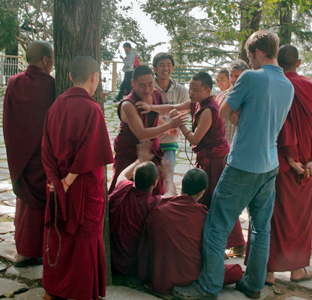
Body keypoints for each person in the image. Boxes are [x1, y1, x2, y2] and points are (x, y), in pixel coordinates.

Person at [172, 30, 294, 300]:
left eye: (250, 55)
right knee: (261, 228)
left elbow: (224, 112)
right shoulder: (288, 84)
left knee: (217, 225)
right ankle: (253, 284)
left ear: (258, 52)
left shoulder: (252, 77)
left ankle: (208, 286)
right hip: (270, 164)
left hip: (243, 164)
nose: (249, 61)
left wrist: (243, 115)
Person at [137, 72, 246, 255]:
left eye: (195, 90)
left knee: (215, 200)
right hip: (207, 158)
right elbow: (174, 107)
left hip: (215, 160)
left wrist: (179, 125)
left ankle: (232, 243)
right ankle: (225, 241)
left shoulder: (208, 110)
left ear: (207, 91)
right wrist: (152, 107)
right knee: (211, 199)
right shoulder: (196, 103)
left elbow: (195, 138)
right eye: (190, 89)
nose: (191, 93)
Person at [41, 55, 114, 300]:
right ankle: (82, 292)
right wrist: (69, 180)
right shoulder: (92, 108)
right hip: (82, 185)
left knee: (60, 232)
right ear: (95, 77)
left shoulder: (56, 105)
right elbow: (91, 152)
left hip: (57, 183)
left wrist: (56, 179)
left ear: (71, 77)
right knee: (84, 236)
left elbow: (46, 148)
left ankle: (53, 290)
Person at [264, 44, 312, 285]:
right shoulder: (310, 86)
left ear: (278, 61)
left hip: (279, 159)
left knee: (272, 214)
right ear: (298, 63)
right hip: (305, 163)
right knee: (299, 216)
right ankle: (296, 270)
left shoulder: (276, 85)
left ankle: (267, 272)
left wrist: (290, 157)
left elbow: (276, 124)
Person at [138, 168, 243, 297]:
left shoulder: (160, 209)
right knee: (236, 271)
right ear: (202, 192)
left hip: (160, 276)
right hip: (191, 277)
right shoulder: (203, 216)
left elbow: (145, 245)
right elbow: (212, 252)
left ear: (182, 185)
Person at [3, 41, 55, 267]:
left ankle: (23, 252)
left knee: (25, 203)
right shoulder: (51, 85)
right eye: (52, 59)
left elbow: (8, 119)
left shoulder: (13, 82)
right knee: (42, 205)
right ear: (45, 59)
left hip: (20, 156)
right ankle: (40, 250)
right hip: (42, 156)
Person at [109, 65, 186, 195]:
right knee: (124, 191)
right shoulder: (128, 104)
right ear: (133, 83)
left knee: (154, 192)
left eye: (150, 84)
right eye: (142, 85)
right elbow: (141, 133)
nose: (147, 90)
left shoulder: (155, 94)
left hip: (151, 150)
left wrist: (165, 125)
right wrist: (168, 125)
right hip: (131, 152)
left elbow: (154, 114)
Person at [109, 141, 176, 276]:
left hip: (114, 258)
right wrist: (168, 177)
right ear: (155, 183)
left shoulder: (124, 190)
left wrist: (139, 159)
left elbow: (121, 176)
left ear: (133, 177)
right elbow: (172, 195)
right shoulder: (153, 202)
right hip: (135, 263)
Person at [152, 52, 188, 172]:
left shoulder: (181, 90)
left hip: (169, 142)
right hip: (150, 140)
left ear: (173, 68)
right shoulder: (149, 88)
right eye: (161, 65)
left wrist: (174, 125)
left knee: (167, 178)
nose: (165, 68)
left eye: (168, 65)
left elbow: (184, 112)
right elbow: (148, 112)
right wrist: (167, 126)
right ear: (154, 68)